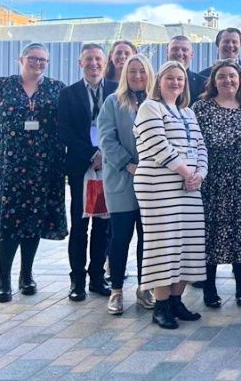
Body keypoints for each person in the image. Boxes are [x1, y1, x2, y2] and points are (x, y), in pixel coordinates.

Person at [134, 61, 207, 329]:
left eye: (180, 78)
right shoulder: (149, 107)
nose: (176, 82)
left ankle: (177, 301)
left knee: (189, 244)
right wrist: (187, 172)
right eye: (170, 78)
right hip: (158, 186)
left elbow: (200, 146)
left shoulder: (188, 112)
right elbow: (157, 145)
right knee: (163, 245)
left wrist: (200, 174)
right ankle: (161, 305)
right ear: (159, 80)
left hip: (189, 187)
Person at [0, 44, 67, 303]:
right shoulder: (2, 85)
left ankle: (26, 274)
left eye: (43, 60)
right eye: (33, 59)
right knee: (8, 222)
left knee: (33, 221)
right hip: (9, 165)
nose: (38, 63)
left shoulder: (56, 88)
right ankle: (3, 278)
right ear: (21, 59)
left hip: (44, 166)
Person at [192, 60, 241, 308]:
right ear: (213, 81)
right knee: (210, 235)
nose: (228, 81)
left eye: (232, 76)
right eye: (221, 76)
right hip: (211, 182)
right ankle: (209, 288)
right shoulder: (200, 108)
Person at [97, 54, 157, 314]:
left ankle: (145, 288)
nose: (137, 76)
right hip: (122, 180)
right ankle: (117, 290)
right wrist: (128, 164)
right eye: (132, 72)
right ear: (124, 75)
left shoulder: (156, 102)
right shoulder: (113, 102)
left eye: (141, 71)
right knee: (120, 238)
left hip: (152, 183)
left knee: (149, 239)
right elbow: (106, 139)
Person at [57, 43, 116, 301]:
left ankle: (96, 277)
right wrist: (92, 155)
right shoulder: (68, 94)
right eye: (89, 59)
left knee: (104, 225)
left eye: (98, 59)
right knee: (81, 225)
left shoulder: (116, 91)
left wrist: (106, 156)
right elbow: (64, 131)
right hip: (82, 167)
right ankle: (77, 281)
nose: (94, 64)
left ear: (105, 63)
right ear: (81, 63)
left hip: (111, 169)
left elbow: (123, 128)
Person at [199, 27, 241, 99]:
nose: (230, 45)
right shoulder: (202, 76)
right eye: (226, 41)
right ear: (217, 46)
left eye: (234, 42)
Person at [168, 35, 206, 101]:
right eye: (175, 49)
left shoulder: (204, 84)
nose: (179, 53)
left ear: (191, 54)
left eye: (184, 50)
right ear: (167, 52)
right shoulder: (155, 82)